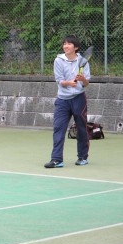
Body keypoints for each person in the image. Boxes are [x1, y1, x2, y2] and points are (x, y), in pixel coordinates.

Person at [44, 35, 90, 168]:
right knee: (58, 128)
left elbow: (86, 83)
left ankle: (82, 157)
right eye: (64, 44)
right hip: (62, 100)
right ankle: (57, 159)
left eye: (69, 44)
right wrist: (70, 82)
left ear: (75, 47)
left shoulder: (83, 61)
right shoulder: (58, 60)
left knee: (81, 129)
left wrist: (82, 79)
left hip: (79, 99)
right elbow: (59, 81)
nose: (66, 46)